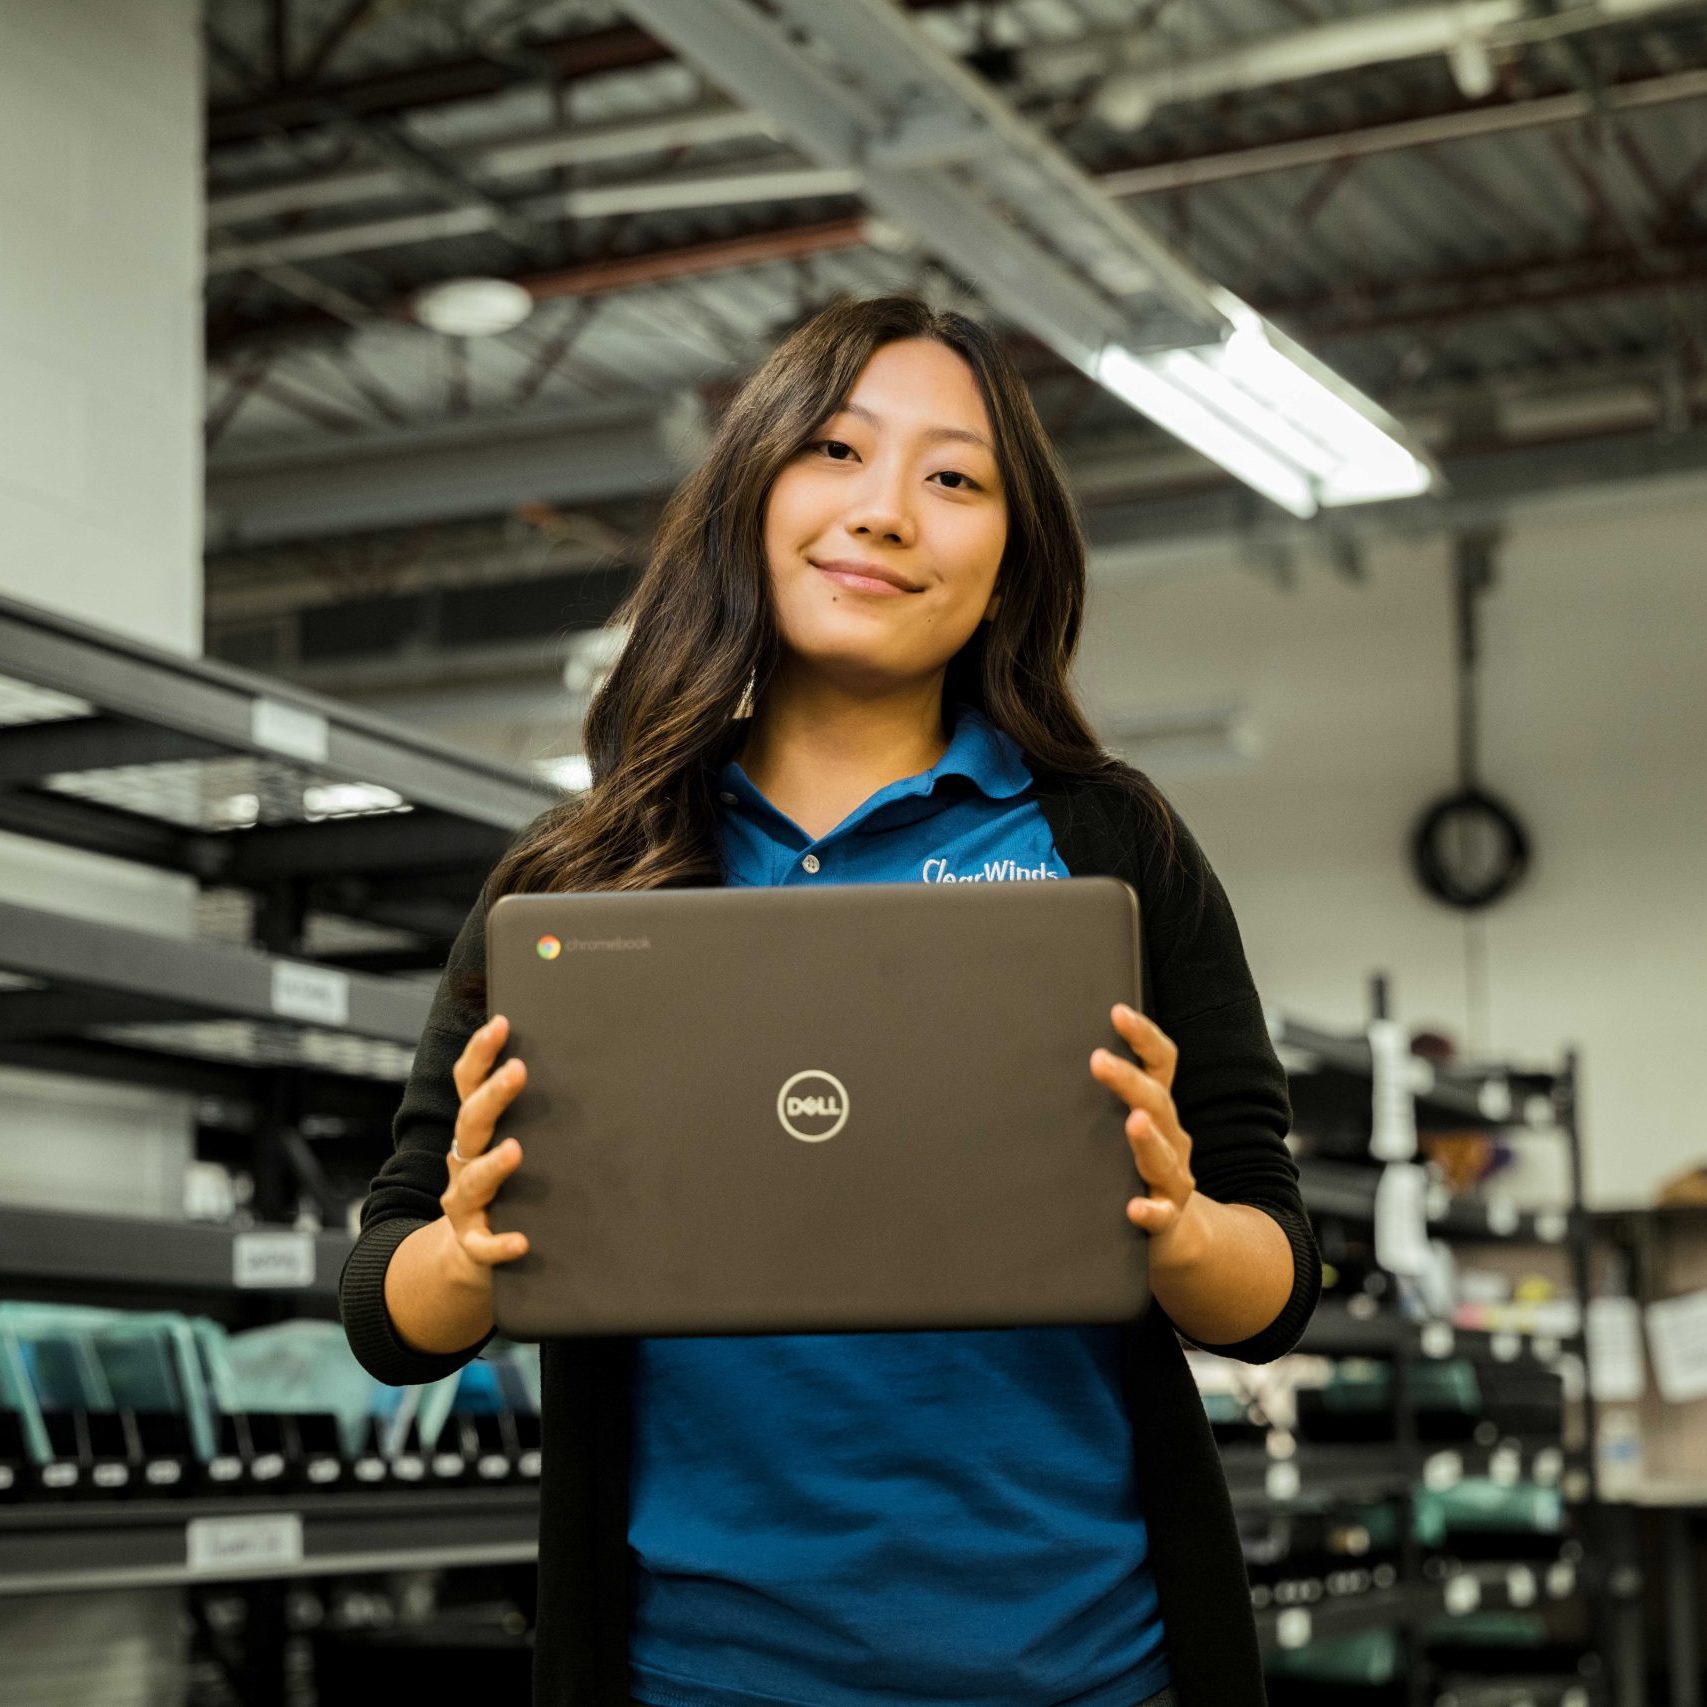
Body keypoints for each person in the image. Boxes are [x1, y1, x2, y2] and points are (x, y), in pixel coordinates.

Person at [340, 292, 1321, 1707]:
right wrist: (470, 1255)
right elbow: (385, 1297)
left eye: (954, 478)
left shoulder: (1112, 842)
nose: (887, 512)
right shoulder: (580, 878)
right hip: (694, 1680)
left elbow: (1273, 1279)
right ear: (752, 494)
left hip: (1092, 1671)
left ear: (1012, 553)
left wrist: (1178, 1232)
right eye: (838, 452)